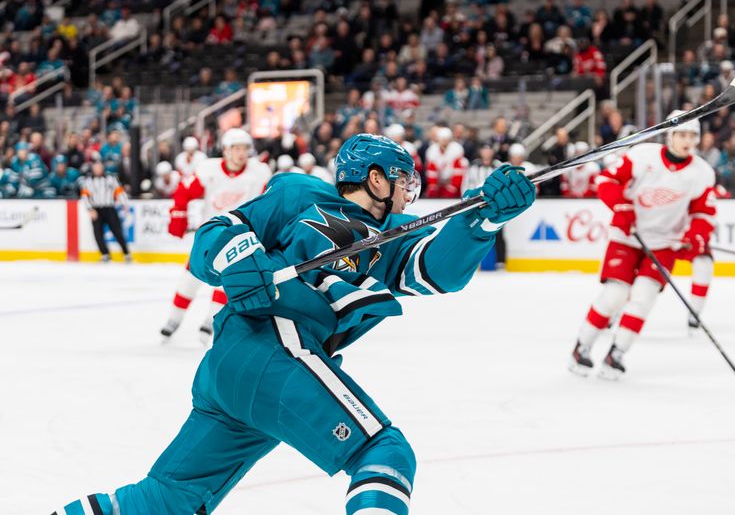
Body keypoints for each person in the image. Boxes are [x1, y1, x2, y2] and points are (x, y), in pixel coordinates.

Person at [56, 133, 536, 515]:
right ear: (374, 179)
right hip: (271, 346)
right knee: (384, 454)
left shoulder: (391, 238)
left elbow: (437, 271)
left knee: (166, 499)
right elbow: (217, 232)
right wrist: (236, 258)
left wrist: (483, 220)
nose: (410, 190)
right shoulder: (299, 193)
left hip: (238, 372)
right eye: (401, 179)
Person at [569, 111, 716, 378]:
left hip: (664, 245)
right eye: (682, 134)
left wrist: (694, 236)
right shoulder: (643, 155)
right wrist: (622, 207)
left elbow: (703, 215)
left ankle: (617, 354)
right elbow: (606, 181)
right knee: (615, 296)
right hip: (627, 238)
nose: (687, 141)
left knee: (643, 298)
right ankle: (583, 347)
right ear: (670, 135)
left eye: (692, 136)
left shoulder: (702, 173)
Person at [160, 128, 272, 344]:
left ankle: (210, 323)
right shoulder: (208, 169)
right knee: (189, 280)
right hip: (210, 237)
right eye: (236, 148)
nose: (241, 153)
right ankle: (174, 320)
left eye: (245, 148)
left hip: (239, 238)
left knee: (226, 283)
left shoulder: (259, 172)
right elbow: (184, 190)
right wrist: (179, 214)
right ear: (226, 150)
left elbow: (270, 199)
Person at [80, 160, 131, 263]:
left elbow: (119, 191)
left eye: (99, 167)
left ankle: (126, 253)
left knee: (117, 232)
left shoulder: (111, 179)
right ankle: (105, 254)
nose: (98, 169)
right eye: (96, 167)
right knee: (97, 233)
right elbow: (85, 197)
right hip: (96, 209)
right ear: (93, 168)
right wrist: (90, 209)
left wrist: (124, 204)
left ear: (102, 167)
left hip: (109, 208)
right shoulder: (87, 181)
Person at [424, 126, 467, 198]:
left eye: (446, 139)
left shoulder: (457, 149)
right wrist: (433, 186)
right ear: (438, 139)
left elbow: (458, 171)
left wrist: (453, 187)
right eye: (442, 139)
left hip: (453, 182)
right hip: (439, 183)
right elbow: (431, 170)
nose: (444, 142)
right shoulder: (432, 150)